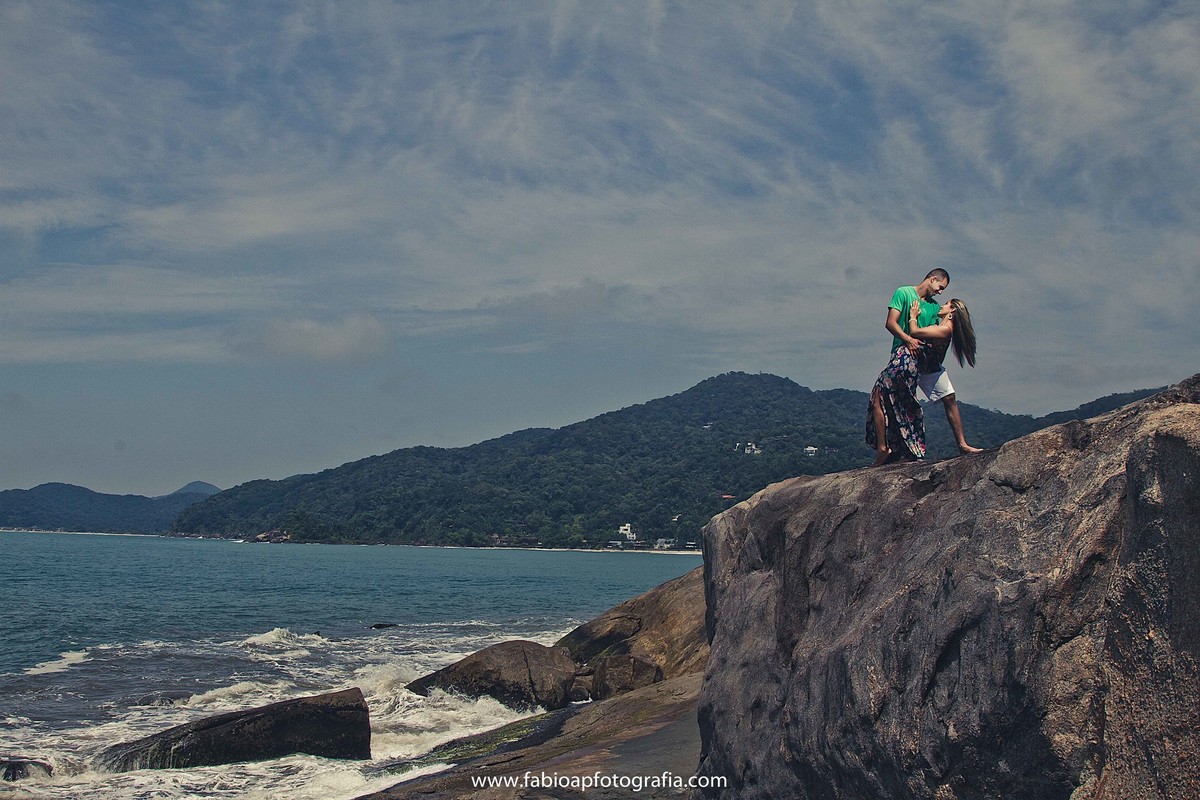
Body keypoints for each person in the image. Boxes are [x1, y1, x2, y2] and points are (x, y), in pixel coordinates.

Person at [867, 269, 980, 464]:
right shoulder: (904, 293)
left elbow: (934, 333)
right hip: (907, 355)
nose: (940, 292)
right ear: (932, 279)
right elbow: (890, 323)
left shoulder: (934, 308)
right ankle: (889, 448)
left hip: (925, 361)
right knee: (886, 397)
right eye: (940, 287)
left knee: (949, 398)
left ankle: (961, 444)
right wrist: (907, 339)